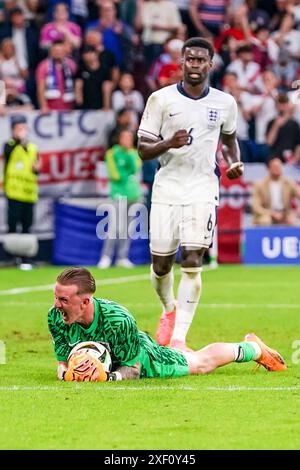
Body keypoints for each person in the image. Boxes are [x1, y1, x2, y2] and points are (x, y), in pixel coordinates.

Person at [137, 37, 244, 351]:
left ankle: (179, 339)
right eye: (190, 59)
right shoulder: (160, 99)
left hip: (202, 188)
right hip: (167, 188)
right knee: (160, 266)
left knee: (193, 257)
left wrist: (234, 161)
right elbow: (143, 149)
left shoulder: (225, 102)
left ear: (210, 64)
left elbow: (229, 138)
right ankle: (169, 308)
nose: (195, 65)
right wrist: (168, 143)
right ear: (181, 62)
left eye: (201, 60)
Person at [48, 267, 286, 382]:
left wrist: (108, 377)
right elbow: (62, 362)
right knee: (182, 352)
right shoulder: (55, 317)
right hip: (116, 359)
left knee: (201, 364)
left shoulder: (118, 320)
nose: (57, 305)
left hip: (145, 357)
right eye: (56, 298)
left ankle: (253, 348)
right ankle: (177, 343)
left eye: (64, 300)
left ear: (85, 301)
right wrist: (68, 373)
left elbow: (134, 369)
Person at [97, 129, 142, 269]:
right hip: (118, 195)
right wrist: (127, 175)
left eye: (129, 138)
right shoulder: (112, 153)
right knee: (114, 227)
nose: (127, 141)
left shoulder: (134, 153)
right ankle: (106, 257)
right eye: (125, 138)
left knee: (128, 229)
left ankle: (122, 257)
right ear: (119, 138)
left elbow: (136, 168)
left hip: (134, 195)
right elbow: (115, 175)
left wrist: (129, 158)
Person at [3, 114, 39, 234]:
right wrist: (20, 140)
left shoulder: (33, 148)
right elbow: (9, 153)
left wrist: (37, 169)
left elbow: (36, 169)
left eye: (24, 128)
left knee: (27, 228)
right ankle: (11, 253)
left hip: (29, 194)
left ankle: (24, 253)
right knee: (12, 227)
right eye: (19, 128)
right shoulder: (9, 145)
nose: (22, 131)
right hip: (14, 194)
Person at [252, 157, 300, 226]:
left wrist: (296, 212)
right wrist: (271, 213)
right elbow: (256, 207)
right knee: (265, 220)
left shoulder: (289, 182)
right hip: (268, 213)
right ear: (269, 169)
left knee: (296, 222)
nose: (278, 169)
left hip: (285, 214)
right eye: (275, 167)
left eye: (279, 167)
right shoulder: (260, 185)